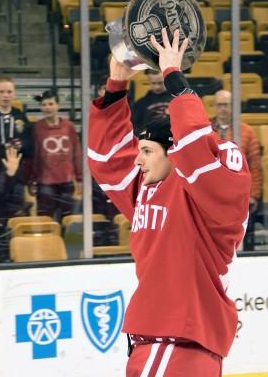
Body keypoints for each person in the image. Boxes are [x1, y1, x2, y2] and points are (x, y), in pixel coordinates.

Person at [88, 28, 251, 376]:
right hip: (163, 343)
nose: (137, 160)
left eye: (147, 151)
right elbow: (105, 158)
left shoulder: (210, 184)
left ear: (175, 154)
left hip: (175, 344)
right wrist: (116, 85)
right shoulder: (146, 188)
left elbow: (200, 153)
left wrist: (174, 77)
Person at [212, 90, 263, 249]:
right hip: (212, 193)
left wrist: (253, 195)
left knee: (239, 242)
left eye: (226, 105)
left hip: (238, 194)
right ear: (214, 106)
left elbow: (254, 165)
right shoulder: (205, 129)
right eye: (220, 105)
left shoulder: (246, 131)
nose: (223, 109)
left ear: (233, 106)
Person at [30, 89, 82, 221]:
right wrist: (32, 179)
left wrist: (80, 178)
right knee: (45, 220)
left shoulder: (69, 126)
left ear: (58, 105)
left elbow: (76, 153)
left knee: (67, 219)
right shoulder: (36, 128)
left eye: (51, 104)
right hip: (45, 183)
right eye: (44, 104)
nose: (47, 107)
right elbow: (34, 155)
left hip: (67, 181)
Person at [0, 77, 33, 222]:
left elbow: (30, 145)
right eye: (2, 91)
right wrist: (0, 152)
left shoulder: (20, 115)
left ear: (14, 93)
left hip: (17, 175)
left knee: (15, 216)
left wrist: (21, 145)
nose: (5, 95)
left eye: (9, 91)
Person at [131, 68, 172, 136]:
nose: (157, 87)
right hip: (149, 140)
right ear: (149, 81)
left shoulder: (177, 100)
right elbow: (134, 127)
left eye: (160, 83)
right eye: (154, 83)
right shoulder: (141, 103)